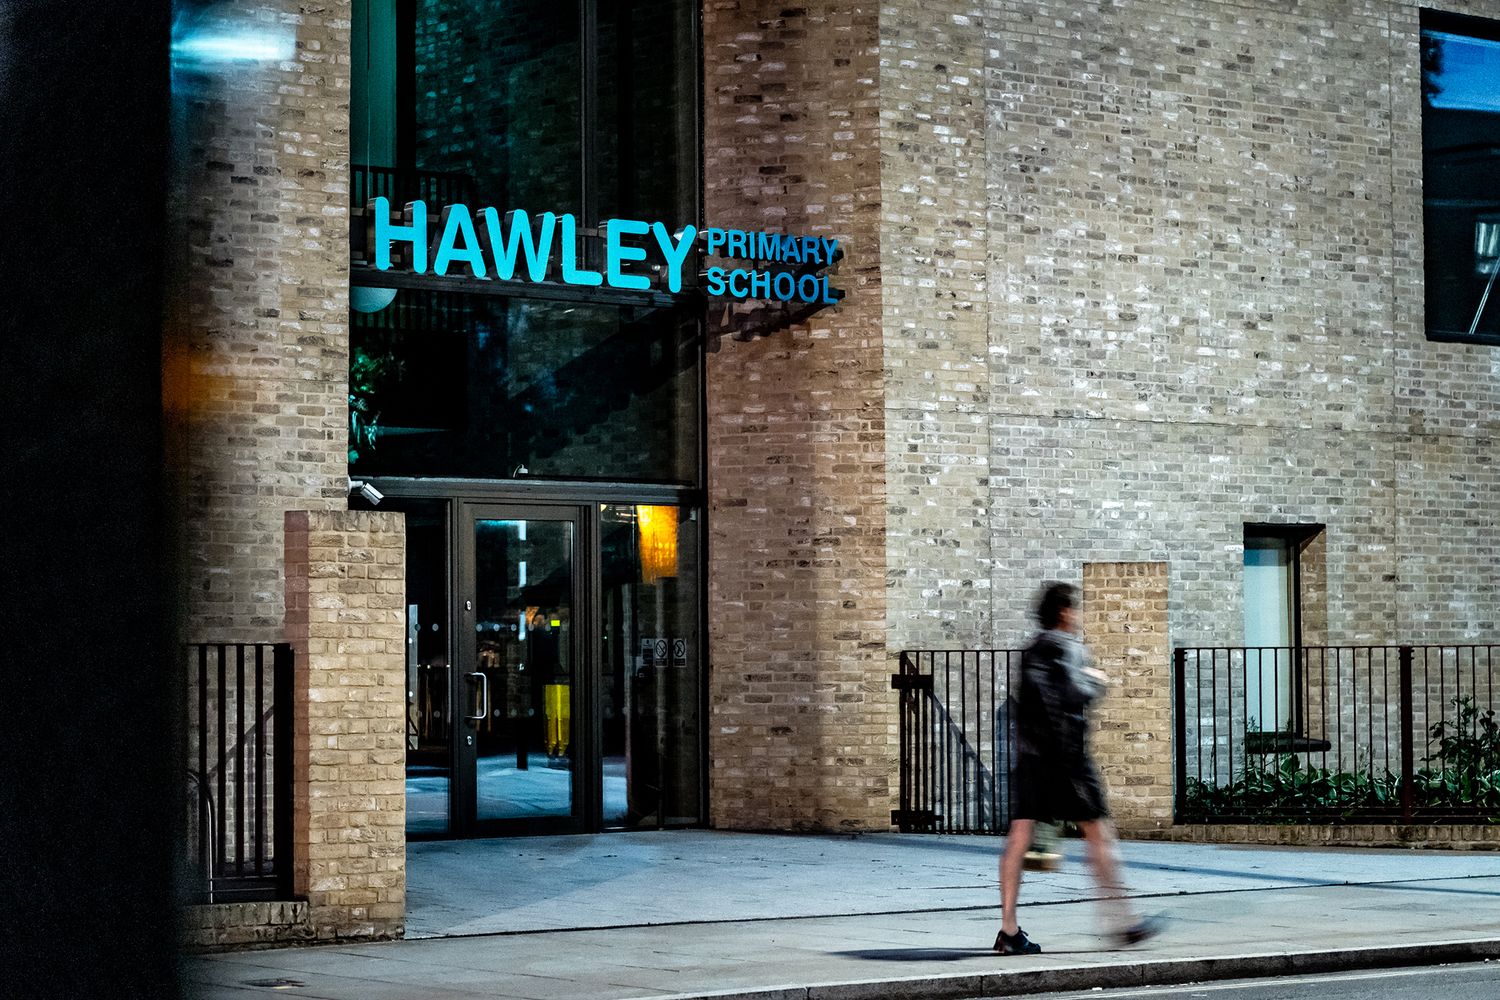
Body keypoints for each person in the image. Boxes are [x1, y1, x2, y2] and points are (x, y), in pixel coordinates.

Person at [995, 582, 1158, 955]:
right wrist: (1096, 681)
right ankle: (1122, 924)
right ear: (1066, 612)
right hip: (1067, 758)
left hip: (1031, 759)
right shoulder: (1070, 648)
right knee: (1100, 834)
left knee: (1018, 839)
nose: (1078, 616)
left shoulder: (1031, 650)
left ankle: (1008, 930)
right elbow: (1072, 693)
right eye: (1076, 609)